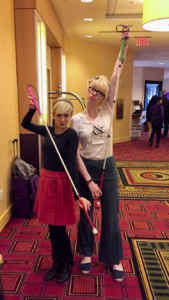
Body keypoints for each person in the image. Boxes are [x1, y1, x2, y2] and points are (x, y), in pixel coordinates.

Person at [69, 26, 130, 282]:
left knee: (110, 214)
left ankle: (114, 258)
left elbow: (116, 73)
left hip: (109, 167)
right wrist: (90, 182)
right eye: (91, 88)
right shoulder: (76, 120)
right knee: (86, 213)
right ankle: (85, 253)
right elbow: (75, 155)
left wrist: (123, 46)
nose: (92, 92)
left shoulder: (106, 112)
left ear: (104, 97)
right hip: (87, 170)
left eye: (97, 91)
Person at [21, 97, 91, 284]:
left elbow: (70, 164)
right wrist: (31, 109)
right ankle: (56, 261)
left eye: (66, 115)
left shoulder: (71, 135)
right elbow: (25, 124)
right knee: (52, 227)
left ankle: (66, 262)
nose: (62, 119)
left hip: (61, 183)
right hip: (46, 181)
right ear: (52, 116)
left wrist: (78, 194)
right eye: (59, 115)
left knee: (59, 227)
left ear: (69, 116)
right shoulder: (48, 131)